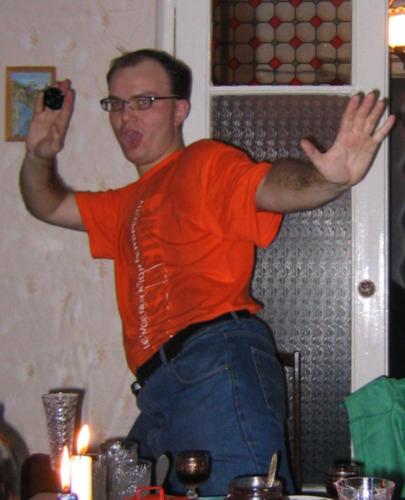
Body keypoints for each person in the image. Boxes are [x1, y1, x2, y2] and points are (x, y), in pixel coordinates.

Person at [19, 48, 395, 495]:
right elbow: (47, 204)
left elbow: (269, 186)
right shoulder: (123, 204)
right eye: (116, 104)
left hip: (215, 363)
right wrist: (38, 155)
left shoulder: (204, 164)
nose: (125, 116)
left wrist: (326, 179)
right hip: (158, 388)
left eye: (143, 101)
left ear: (180, 109)